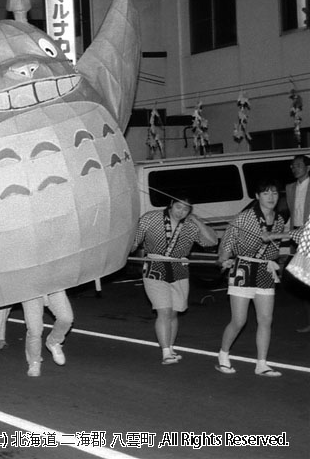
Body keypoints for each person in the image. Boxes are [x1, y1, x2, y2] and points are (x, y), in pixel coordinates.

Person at [130, 194, 218, 364]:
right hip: (155, 265)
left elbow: (212, 242)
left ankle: (170, 348)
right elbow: (134, 241)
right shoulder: (151, 218)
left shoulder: (191, 226)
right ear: (171, 204)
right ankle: (165, 353)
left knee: (174, 312)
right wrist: (124, 251)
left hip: (179, 267)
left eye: (186, 209)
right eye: (179, 207)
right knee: (163, 310)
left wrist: (198, 221)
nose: (181, 211)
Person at [216, 178, 286, 377]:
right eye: (266, 193)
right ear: (257, 196)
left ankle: (261, 364)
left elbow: (275, 248)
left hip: (265, 270)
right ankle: (223, 355)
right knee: (239, 320)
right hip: (243, 268)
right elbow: (227, 241)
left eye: (274, 193)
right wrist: (224, 260)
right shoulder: (245, 217)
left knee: (266, 319)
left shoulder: (279, 220)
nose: (271, 197)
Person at [0, 291, 74, 377]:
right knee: (34, 329)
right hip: (29, 290)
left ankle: (53, 342)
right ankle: (34, 361)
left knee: (66, 319)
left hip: (53, 285)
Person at [284, 155, 310, 333]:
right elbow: (292, 213)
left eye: (299, 165)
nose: (295, 168)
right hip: (296, 233)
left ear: (308, 168)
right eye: (293, 166)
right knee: (302, 279)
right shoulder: (290, 188)